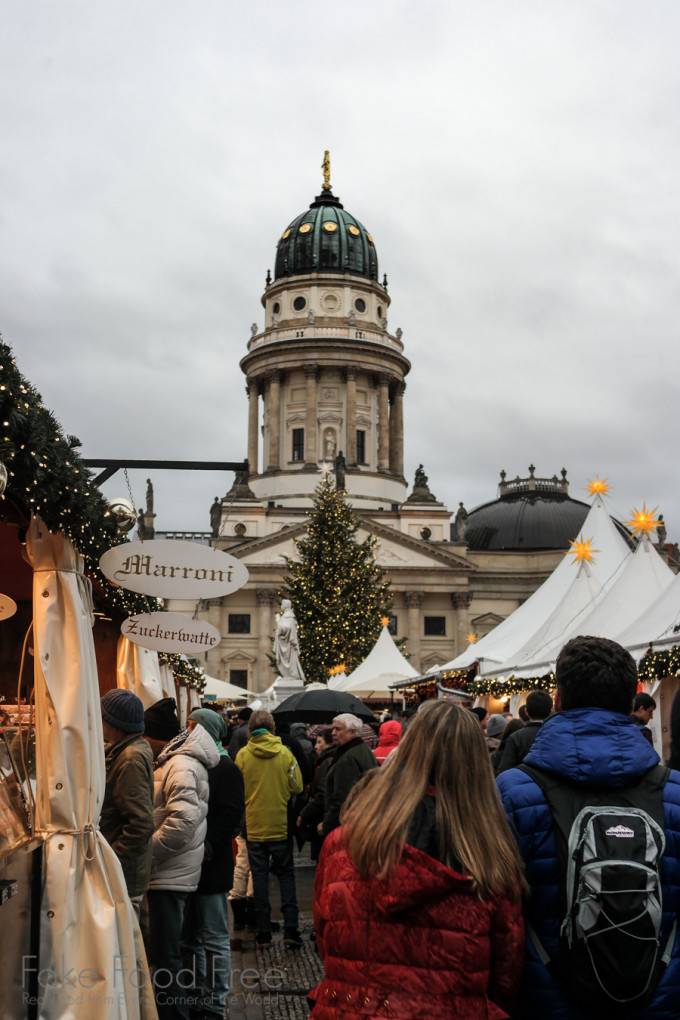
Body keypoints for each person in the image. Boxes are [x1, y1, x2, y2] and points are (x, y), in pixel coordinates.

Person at [497, 635, 680, 1019]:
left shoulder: (513, 791)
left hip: (546, 996)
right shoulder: (674, 792)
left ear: (559, 700)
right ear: (632, 699)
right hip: (658, 995)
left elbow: (495, 914)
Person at [309, 701, 526, 1018]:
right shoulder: (490, 856)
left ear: (407, 751)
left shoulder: (343, 843)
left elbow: (326, 939)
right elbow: (506, 972)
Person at [143, 697, 220, 1020]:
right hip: (172, 873)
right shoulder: (175, 760)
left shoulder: (180, 764)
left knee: (165, 956)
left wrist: (148, 856)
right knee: (167, 954)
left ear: (152, 736)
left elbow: (183, 821)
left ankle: (175, 1015)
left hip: (168, 875)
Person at [181, 709, 245, 1020]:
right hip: (187, 865)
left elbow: (232, 814)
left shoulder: (226, 767)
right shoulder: (192, 762)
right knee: (191, 936)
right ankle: (195, 995)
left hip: (211, 864)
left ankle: (215, 1001)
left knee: (214, 937)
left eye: (193, 725)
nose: (188, 729)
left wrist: (207, 843)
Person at [235, 709, 304, 947]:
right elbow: (297, 786)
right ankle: (291, 930)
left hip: (253, 824)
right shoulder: (285, 754)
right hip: (280, 823)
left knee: (260, 878)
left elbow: (238, 789)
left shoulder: (243, 755)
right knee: (286, 876)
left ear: (250, 730)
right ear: (273, 729)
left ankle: (263, 932)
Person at [99, 689, 154, 917]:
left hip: (123, 876)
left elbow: (140, 824)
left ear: (112, 722)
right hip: (126, 873)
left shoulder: (130, 757)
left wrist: (112, 860)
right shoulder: (127, 749)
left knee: (124, 947)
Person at [318, 714, 377, 837]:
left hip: (348, 827)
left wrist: (327, 825)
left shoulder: (348, 758)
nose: (333, 733)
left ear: (352, 732)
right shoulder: (360, 749)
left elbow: (342, 799)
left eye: (338, 729)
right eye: (333, 728)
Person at [297, 728, 336, 859]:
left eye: (319, 742)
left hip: (323, 819)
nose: (316, 746)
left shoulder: (326, 762)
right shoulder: (325, 761)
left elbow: (321, 795)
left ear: (329, 744)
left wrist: (304, 814)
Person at [496, 689, 552, 773]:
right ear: (551, 712)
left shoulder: (516, 737)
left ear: (526, 712)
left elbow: (504, 769)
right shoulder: (557, 735)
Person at [274, 599, 306, 683]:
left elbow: (287, 629)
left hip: (288, 645)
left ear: (285, 605)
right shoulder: (286, 616)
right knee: (285, 662)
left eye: (282, 604)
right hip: (285, 644)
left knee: (289, 661)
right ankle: (287, 675)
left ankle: (290, 675)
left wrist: (278, 621)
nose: (281, 606)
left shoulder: (289, 616)